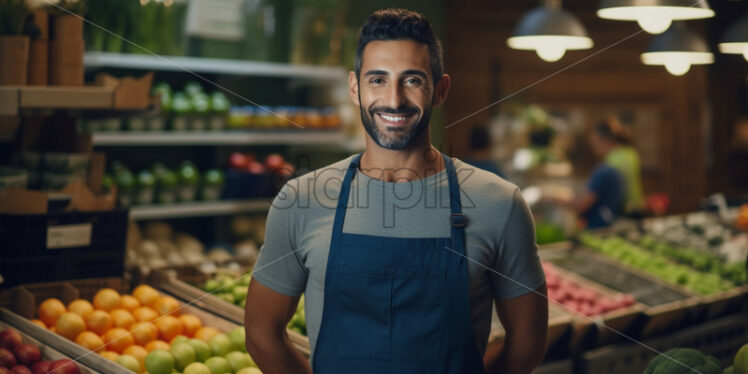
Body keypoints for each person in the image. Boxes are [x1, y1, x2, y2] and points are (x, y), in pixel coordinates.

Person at [244, 8, 548, 374]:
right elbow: (261, 333)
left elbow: (527, 340)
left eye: (413, 80)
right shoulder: (301, 200)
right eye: (377, 80)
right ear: (355, 88)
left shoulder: (499, 204)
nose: (394, 99)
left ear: (440, 90)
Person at [561, 121, 626, 229]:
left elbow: (582, 205)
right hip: (613, 221)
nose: (593, 146)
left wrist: (551, 197)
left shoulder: (604, 170)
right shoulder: (623, 158)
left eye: (594, 142)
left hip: (600, 226)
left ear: (604, 141)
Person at [601, 117, 646, 216]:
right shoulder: (632, 152)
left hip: (626, 209)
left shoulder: (612, 158)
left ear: (605, 140)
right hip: (639, 205)